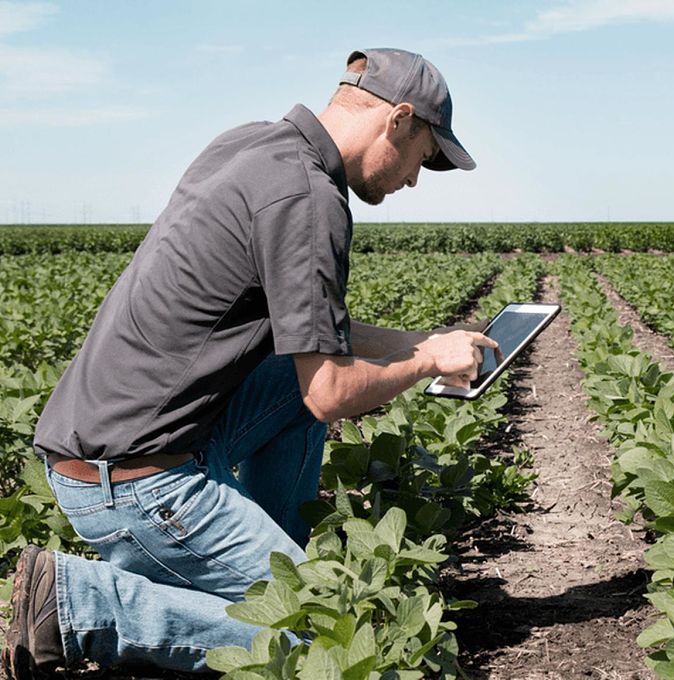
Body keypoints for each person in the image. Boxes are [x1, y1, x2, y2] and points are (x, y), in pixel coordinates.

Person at [2, 47, 497, 678]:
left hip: (110, 442)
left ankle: (267, 561)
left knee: (291, 388)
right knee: (318, 639)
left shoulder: (252, 147)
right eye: (423, 158)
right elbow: (329, 393)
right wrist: (427, 361)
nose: (413, 180)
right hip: (137, 481)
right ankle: (80, 603)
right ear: (398, 119)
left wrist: (416, 340)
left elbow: (319, 345)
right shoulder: (311, 199)